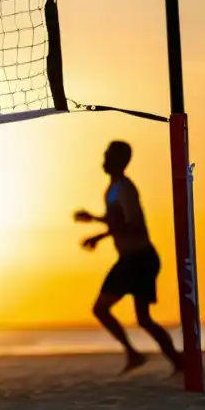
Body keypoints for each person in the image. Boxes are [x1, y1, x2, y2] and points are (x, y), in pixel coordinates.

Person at [74, 140, 183, 374]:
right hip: (132, 259)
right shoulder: (113, 188)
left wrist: (99, 236)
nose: (103, 159)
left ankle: (144, 355)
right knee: (140, 318)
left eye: (108, 155)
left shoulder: (124, 188)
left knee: (105, 310)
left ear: (119, 160)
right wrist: (94, 219)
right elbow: (117, 220)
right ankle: (169, 360)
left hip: (139, 259)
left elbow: (134, 224)